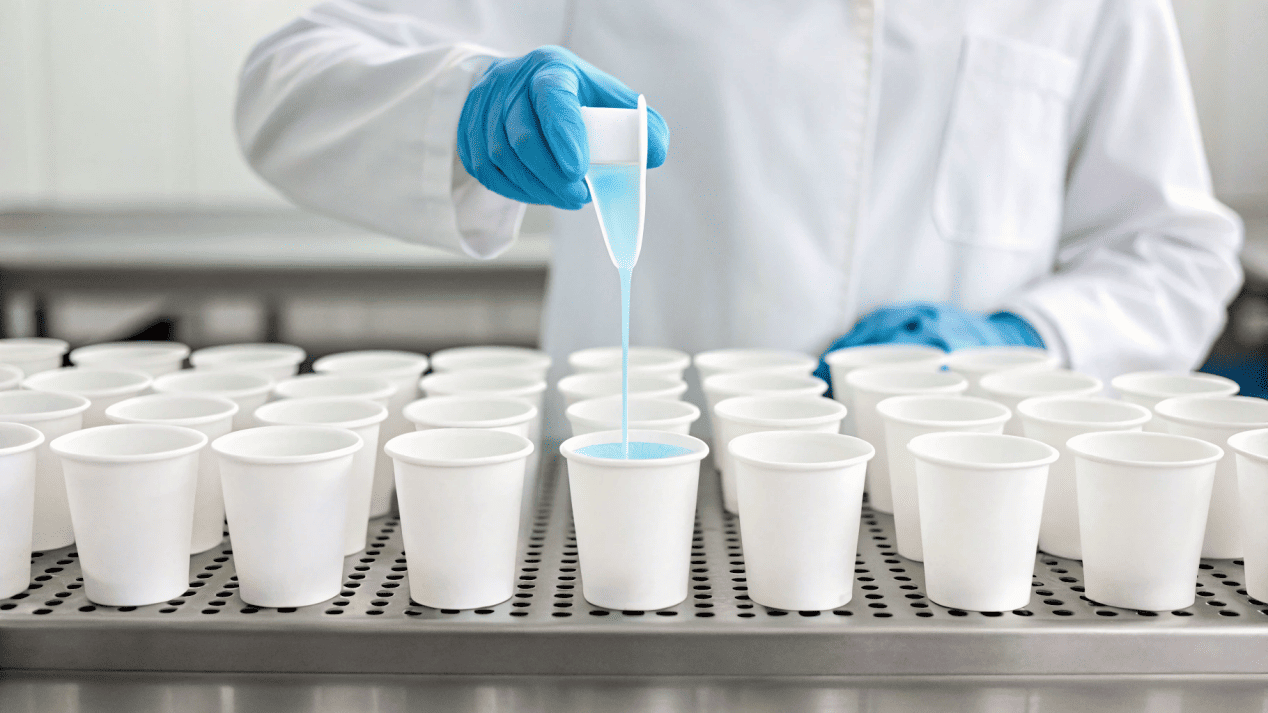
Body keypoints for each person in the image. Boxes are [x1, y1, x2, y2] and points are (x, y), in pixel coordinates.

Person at [236, 0, 1241, 408]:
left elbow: (1172, 249)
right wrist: (461, 105)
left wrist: (1025, 330)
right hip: (639, 485)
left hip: (960, 502)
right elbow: (286, 80)